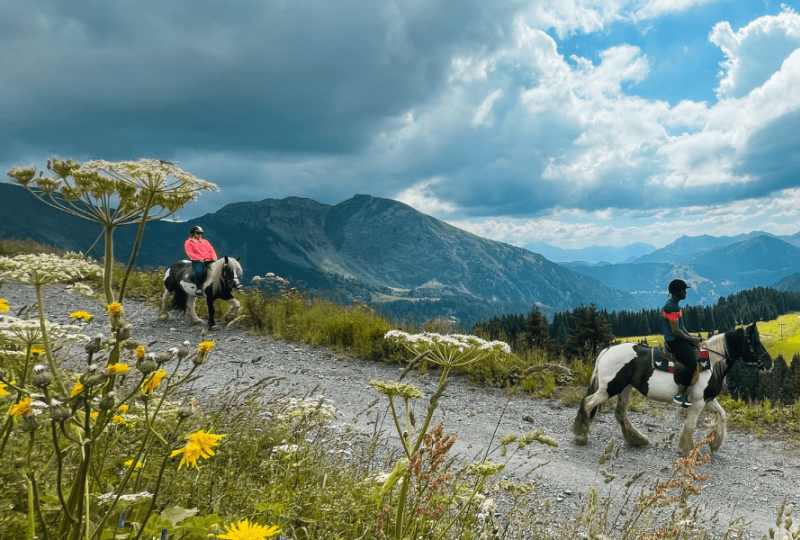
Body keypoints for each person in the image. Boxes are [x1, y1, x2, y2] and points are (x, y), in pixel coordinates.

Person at [662, 279, 702, 407]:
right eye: (683, 290)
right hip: (674, 340)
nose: (686, 292)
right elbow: (675, 331)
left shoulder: (675, 305)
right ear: (676, 292)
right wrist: (689, 339)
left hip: (678, 337)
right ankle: (679, 395)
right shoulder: (671, 308)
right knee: (691, 363)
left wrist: (691, 337)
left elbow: (681, 327)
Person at [184, 226, 217, 296]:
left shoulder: (205, 241)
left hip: (209, 260)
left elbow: (211, 250)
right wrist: (199, 259)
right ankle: (199, 288)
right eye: (198, 233)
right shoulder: (188, 242)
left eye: (201, 233)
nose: (200, 235)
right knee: (199, 271)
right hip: (197, 261)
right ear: (193, 233)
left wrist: (214, 257)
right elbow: (190, 253)